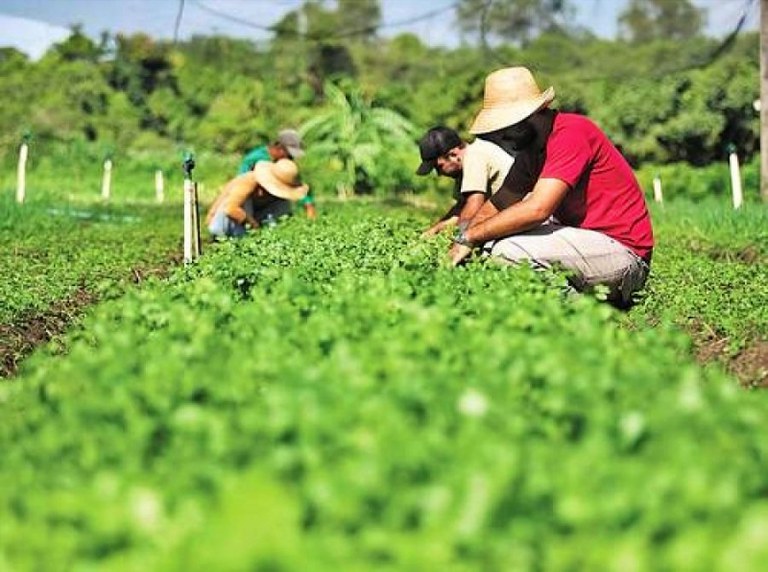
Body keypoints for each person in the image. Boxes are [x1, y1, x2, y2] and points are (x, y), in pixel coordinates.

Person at [450, 66, 654, 307]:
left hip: (624, 254)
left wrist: (471, 236)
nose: (502, 137)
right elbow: (498, 203)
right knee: (491, 244)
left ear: (531, 115)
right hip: (588, 246)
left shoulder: (572, 132)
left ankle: (580, 315)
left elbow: (537, 210)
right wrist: (462, 239)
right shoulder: (531, 152)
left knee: (507, 251)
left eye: (506, 128)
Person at [415, 125, 515, 237]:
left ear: (453, 154)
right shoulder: (464, 167)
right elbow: (461, 209)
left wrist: (459, 239)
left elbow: (474, 205)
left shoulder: (474, 155)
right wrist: (434, 230)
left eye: (439, 167)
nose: (439, 174)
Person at [206, 159, 309, 238]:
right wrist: (255, 228)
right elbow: (231, 209)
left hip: (254, 221)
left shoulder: (277, 198)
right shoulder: (249, 182)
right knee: (244, 203)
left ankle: (272, 238)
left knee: (283, 205)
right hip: (223, 225)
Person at [239, 128, 317, 220]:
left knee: (284, 205)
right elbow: (240, 185)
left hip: (269, 203)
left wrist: (308, 203)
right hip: (250, 201)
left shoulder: (285, 164)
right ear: (279, 148)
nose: (290, 158)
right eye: (288, 154)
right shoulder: (255, 158)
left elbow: (296, 185)